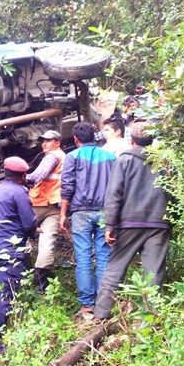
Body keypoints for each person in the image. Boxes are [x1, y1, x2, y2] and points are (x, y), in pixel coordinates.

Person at [94, 122, 170, 319]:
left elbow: (114, 194)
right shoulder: (164, 162)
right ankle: (151, 318)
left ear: (131, 139)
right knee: (153, 272)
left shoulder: (125, 159)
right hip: (159, 223)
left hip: (129, 222)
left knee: (115, 268)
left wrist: (110, 225)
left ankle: (101, 314)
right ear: (152, 140)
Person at [60, 122, 116, 315]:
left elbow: (67, 187)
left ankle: (86, 305)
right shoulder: (110, 157)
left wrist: (62, 215)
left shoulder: (72, 157)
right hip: (105, 212)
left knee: (83, 257)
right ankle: (103, 305)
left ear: (76, 139)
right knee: (103, 257)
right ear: (95, 137)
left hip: (80, 213)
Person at [0, 156, 37, 353]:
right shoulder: (19, 193)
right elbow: (29, 222)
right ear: (23, 175)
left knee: (0, 289)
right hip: (9, 249)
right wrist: (33, 235)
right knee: (4, 293)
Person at [26, 130, 66, 293]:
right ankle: (42, 286)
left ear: (57, 142)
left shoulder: (53, 156)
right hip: (55, 205)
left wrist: (22, 178)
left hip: (40, 204)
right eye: (43, 141)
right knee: (47, 243)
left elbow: (39, 174)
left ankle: (23, 276)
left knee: (21, 234)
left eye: (48, 141)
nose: (44, 144)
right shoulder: (64, 156)